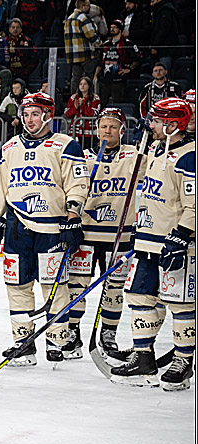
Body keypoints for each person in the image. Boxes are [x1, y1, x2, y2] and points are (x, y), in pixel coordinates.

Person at [0, 92, 89, 366]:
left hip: (52, 227)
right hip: (18, 227)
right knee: (17, 285)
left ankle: (56, 339)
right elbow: (0, 188)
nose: (29, 119)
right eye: (26, 114)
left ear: (47, 115)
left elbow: (77, 183)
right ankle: (23, 343)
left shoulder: (66, 145)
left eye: (35, 113)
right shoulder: (8, 148)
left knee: (54, 286)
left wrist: (72, 215)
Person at [112, 97, 195, 391]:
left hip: (176, 243)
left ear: (174, 125)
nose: (151, 124)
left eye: (157, 119)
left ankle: (184, 360)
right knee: (139, 296)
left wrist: (182, 235)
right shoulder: (157, 150)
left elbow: (193, 205)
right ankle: (143, 357)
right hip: (147, 240)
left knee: (180, 303)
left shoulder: (190, 155)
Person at [63, 108, 141, 358]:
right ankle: (72, 333)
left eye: (113, 127)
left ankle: (108, 334)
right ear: (97, 130)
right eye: (103, 126)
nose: (107, 131)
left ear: (121, 130)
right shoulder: (84, 157)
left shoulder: (132, 156)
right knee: (76, 287)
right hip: (86, 234)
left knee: (114, 289)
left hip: (119, 236)